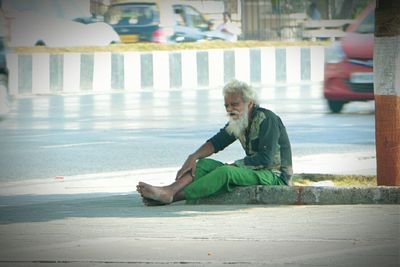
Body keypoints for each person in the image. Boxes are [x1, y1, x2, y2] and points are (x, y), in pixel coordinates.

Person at [137, 80, 293, 206]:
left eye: (235, 104)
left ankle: (174, 196)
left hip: (274, 175)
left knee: (225, 172)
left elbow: (265, 159)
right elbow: (216, 143)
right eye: (227, 105)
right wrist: (193, 156)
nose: (230, 109)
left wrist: (234, 166)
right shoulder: (238, 121)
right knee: (203, 164)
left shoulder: (267, 119)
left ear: (250, 103)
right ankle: (169, 190)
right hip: (256, 171)